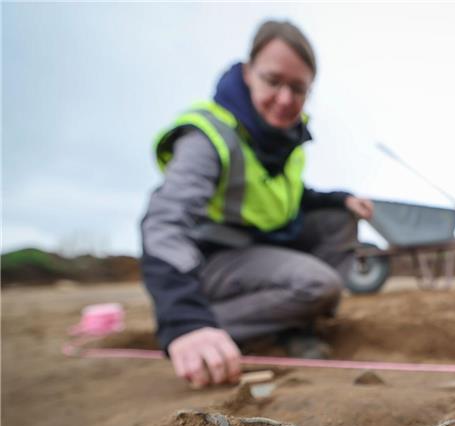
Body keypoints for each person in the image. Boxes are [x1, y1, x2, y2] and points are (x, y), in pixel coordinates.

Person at [140, 20, 374, 388]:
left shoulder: (286, 141)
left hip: (260, 248)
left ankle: (298, 322)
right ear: (248, 73)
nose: (285, 99)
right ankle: (211, 324)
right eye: (273, 81)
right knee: (319, 286)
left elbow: (294, 196)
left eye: (298, 89)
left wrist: (342, 199)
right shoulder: (210, 135)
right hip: (213, 261)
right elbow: (164, 225)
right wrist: (185, 319)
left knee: (335, 217)